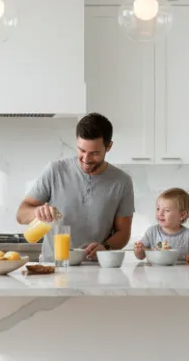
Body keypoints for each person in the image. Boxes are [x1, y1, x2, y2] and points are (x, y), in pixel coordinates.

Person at [17, 112, 134, 261]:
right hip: (54, 267)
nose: (86, 159)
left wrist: (106, 246)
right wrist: (37, 212)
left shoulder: (122, 181)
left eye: (94, 153)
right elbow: (21, 215)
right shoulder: (55, 171)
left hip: (95, 269)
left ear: (109, 146)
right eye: (82, 150)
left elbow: (123, 233)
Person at [133, 188, 189, 264]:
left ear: (182, 215)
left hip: (181, 273)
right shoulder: (152, 232)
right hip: (155, 272)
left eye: (167, 210)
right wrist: (139, 250)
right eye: (158, 209)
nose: (160, 213)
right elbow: (141, 256)